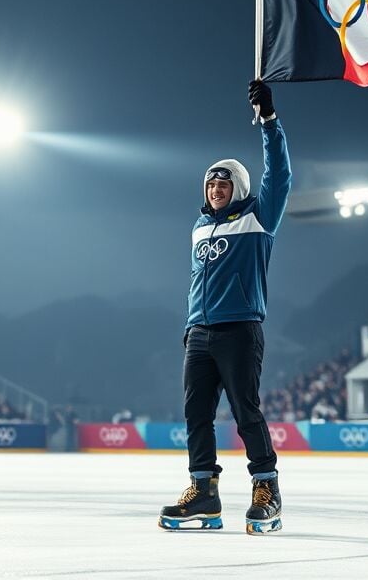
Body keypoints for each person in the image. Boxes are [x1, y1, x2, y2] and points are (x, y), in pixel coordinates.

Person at [160, 80, 291, 535]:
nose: (216, 188)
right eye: (211, 183)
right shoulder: (199, 226)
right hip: (199, 333)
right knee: (196, 414)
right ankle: (204, 491)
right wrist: (190, 326)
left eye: (224, 182)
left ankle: (267, 488)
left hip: (239, 329)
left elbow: (280, 175)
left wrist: (269, 121)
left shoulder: (259, 216)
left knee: (245, 412)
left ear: (239, 187)